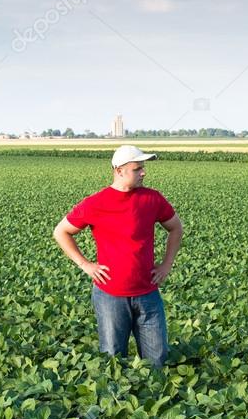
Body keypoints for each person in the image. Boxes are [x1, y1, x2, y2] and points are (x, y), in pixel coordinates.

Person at [53, 145, 183, 368]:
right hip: (110, 295)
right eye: (137, 169)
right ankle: (115, 402)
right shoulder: (96, 203)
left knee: (157, 360)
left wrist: (166, 265)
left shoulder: (152, 199)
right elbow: (61, 231)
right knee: (113, 359)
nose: (143, 172)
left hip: (148, 293)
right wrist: (85, 265)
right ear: (119, 170)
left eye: (143, 168)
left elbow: (176, 228)